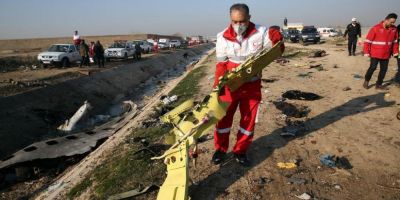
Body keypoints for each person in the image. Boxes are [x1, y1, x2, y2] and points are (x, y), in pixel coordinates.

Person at [212, 3, 284, 166]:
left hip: (251, 87)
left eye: (242, 21)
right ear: (230, 20)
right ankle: (220, 150)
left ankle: (240, 151)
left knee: (248, 121)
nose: (238, 25)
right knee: (223, 119)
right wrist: (217, 87)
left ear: (249, 18)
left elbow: (277, 49)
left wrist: (276, 36)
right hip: (230, 86)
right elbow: (221, 65)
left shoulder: (261, 32)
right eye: (234, 22)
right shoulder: (222, 36)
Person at [363, 13, 399, 90]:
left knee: (384, 70)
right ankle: (366, 81)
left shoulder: (394, 29)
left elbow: (395, 42)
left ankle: (378, 84)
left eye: (394, 22)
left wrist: (395, 52)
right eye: (391, 22)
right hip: (375, 53)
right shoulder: (375, 28)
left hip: (386, 54)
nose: (392, 24)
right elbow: (367, 41)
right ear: (386, 20)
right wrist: (366, 52)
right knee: (372, 68)